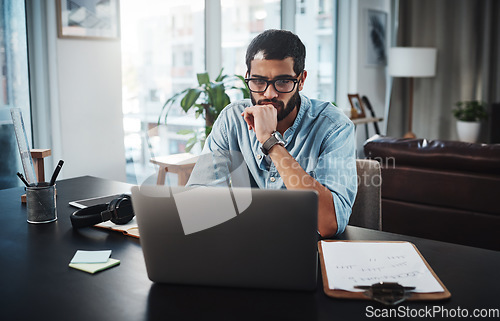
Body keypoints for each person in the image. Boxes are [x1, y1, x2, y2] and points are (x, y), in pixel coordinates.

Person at [187, 29, 357, 237]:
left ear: (301, 80)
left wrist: (271, 142)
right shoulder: (232, 119)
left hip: (304, 252)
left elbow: (328, 223)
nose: (269, 94)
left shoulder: (334, 127)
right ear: (247, 78)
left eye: (283, 81)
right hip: (243, 249)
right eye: (258, 81)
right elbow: (196, 204)